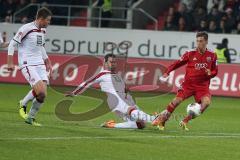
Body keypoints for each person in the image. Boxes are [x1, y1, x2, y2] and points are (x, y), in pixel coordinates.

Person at [66, 54, 156, 129]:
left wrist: (126, 90)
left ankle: (111, 125)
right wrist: (74, 93)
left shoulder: (116, 75)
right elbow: (87, 83)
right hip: (115, 99)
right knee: (131, 110)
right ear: (105, 62)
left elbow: (123, 88)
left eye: (114, 62)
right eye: (111, 62)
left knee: (140, 125)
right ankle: (153, 119)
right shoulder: (101, 74)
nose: (113, 64)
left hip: (125, 99)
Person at [153, 31, 218, 131]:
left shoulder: (212, 55)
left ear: (206, 41)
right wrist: (167, 72)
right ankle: (162, 120)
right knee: (176, 101)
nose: (198, 43)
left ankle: (185, 121)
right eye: (197, 41)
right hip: (188, 84)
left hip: (202, 86)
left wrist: (210, 73)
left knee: (206, 103)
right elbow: (177, 63)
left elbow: (215, 71)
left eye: (201, 41)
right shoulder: (190, 53)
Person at [7, 7, 52, 126]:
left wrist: (47, 60)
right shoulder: (26, 28)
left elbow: (41, 46)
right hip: (28, 64)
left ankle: (30, 118)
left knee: (42, 95)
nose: (49, 23)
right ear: (41, 19)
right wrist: (10, 63)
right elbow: (12, 44)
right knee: (40, 91)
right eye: (47, 20)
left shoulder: (42, 31)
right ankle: (23, 104)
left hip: (40, 64)